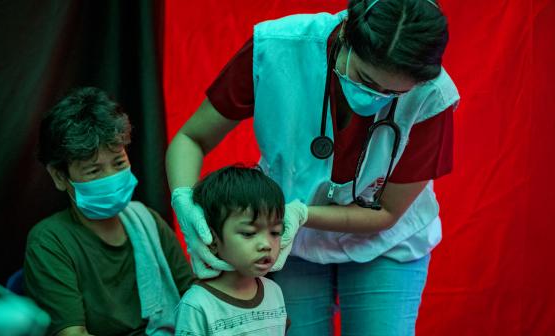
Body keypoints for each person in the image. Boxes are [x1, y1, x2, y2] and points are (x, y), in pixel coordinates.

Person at [166, 0, 459, 335]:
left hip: (386, 242)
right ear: (347, 31)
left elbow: (387, 213)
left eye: (392, 93)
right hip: (288, 243)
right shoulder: (277, 48)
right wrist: (183, 199)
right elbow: (191, 138)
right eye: (364, 78)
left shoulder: (433, 95)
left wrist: (300, 214)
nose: (373, 96)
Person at [24, 87, 194, 336]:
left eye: (119, 163)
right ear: (60, 177)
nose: (111, 177)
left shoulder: (147, 222)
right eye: (94, 171)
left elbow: (193, 300)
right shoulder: (50, 241)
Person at [174, 165, 290, 335]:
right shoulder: (197, 305)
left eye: (275, 232)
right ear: (212, 239)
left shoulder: (274, 292)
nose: (266, 244)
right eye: (249, 233)